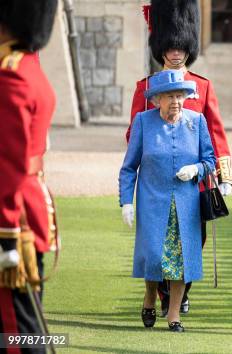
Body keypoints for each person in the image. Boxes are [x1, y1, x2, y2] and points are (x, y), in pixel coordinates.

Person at [128, 0, 232, 316]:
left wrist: (223, 174)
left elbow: (215, 131)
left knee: (192, 239)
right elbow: (134, 132)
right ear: (161, 48)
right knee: (155, 240)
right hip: (157, 180)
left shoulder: (202, 86)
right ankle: (163, 293)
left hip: (194, 179)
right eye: (170, 47)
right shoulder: (145, 87)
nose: (176, 52)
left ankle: (179, 291)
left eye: (181, 47)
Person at [119, 69, 216, 332]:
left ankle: (174, 315)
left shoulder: (197, 121)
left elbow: (210, 161)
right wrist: (126, 201)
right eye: (170, 96)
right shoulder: (143, 121)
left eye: (180, 96)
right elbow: (129, 167)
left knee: (181, 259)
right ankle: (150, 296)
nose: (176, 101)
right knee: (153, 257)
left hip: (186, 204)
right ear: (157, 100)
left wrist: (196, 169)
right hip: (152, 201)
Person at [0, 0, 58, 352]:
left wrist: (5, 235)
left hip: (11, 221)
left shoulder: (10, 75)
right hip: (27, 213)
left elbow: (9, 164)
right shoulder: (29, 69)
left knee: (16, 335)